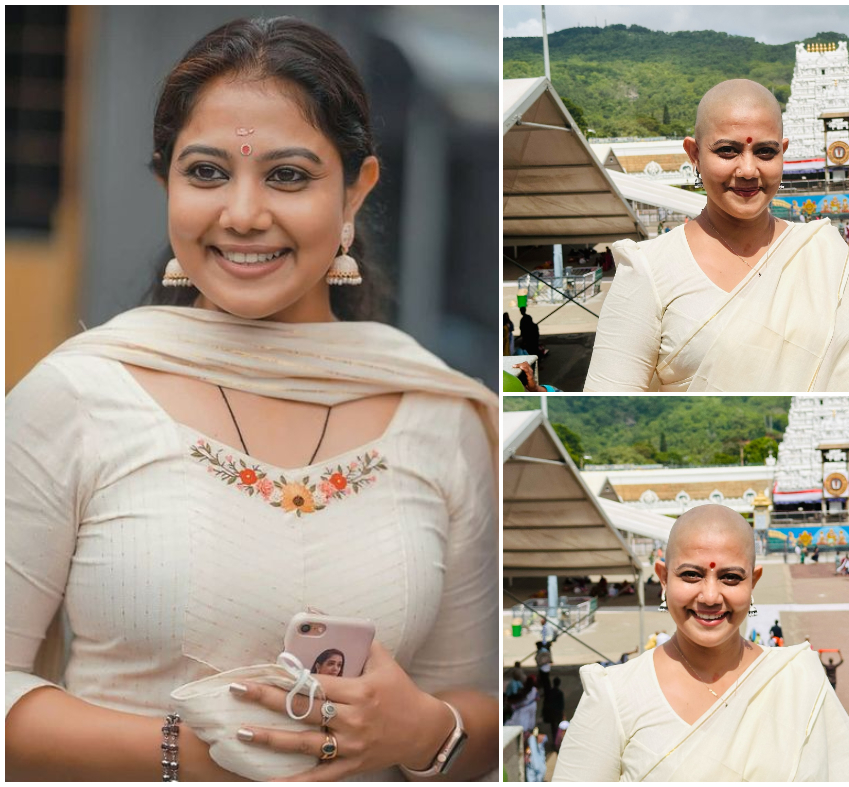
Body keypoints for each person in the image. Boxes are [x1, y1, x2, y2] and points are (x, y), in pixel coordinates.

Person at [4, 17, 500, 782]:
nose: (241, 213)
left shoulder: (440, 417)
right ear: (166, 179)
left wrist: (422, 726)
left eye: (289, 175)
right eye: (205, 172)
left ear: (355, 189)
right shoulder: (77, 396)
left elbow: (478, 710)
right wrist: (186, 753)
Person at [583, 79, 849, 392]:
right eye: (727, 151)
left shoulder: (822, 251)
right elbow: (608, 403)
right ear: (694, 155)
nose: (747, 171)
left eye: (765, 152)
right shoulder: (648, 270)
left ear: (783, 153)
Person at [553, 505, 849, 780]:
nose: (710, 597)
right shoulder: (615, 695)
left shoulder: (798, 678)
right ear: (663, 578)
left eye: (730, 578)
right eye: (691, 575)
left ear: (754, 581)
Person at [544, 677, 566, 750]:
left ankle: (555, 742)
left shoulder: (550, 692)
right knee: (558, 729)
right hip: (557, 714)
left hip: (551, 713)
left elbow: (546, 703)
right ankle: (557, 743)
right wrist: (562, 714)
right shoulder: (560, 693)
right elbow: (561, 705)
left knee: (553, 728)